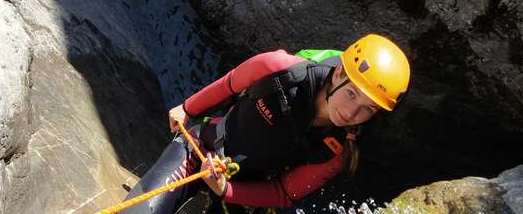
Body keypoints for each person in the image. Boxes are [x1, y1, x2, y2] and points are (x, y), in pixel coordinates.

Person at [123, 34, 411, 214]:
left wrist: (226, 191)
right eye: (351, 94)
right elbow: (231, 83)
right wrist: (188, 109)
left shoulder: (336, 151)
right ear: (338, 74)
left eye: (367, 109)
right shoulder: (280, 70)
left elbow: (284, 193)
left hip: (245, 193)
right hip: (203, 145)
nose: (351, 113)